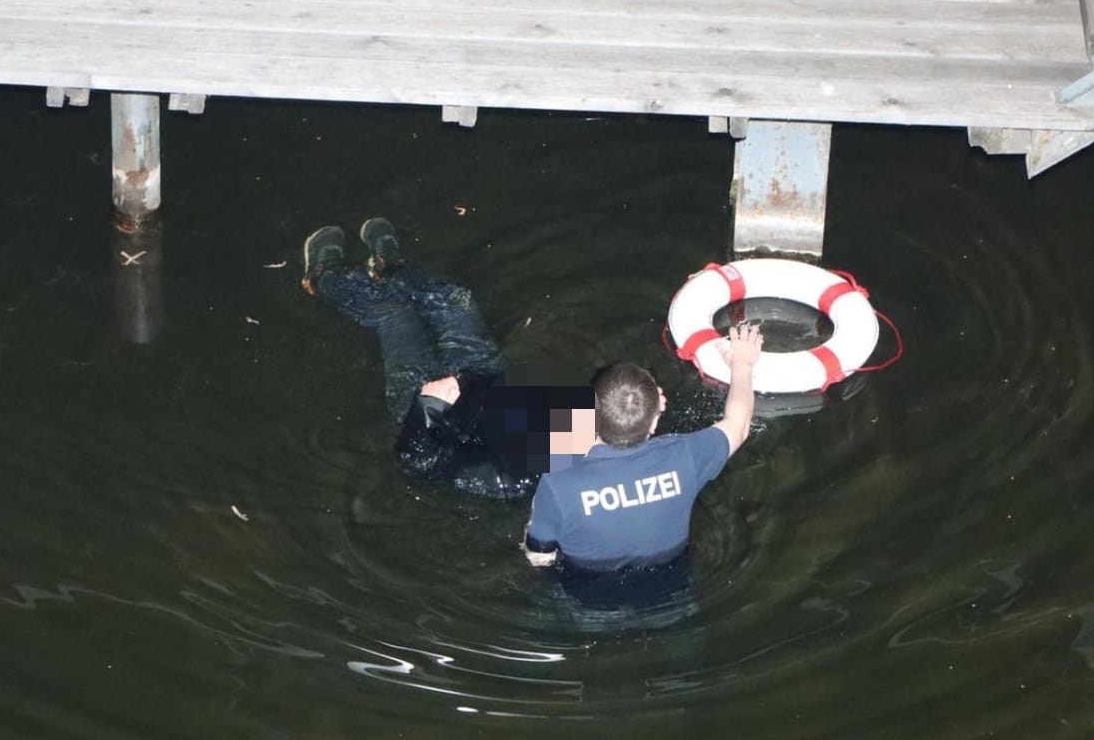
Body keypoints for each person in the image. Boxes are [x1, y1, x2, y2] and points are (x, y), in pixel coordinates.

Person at [302, 219, 595, 499]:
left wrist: (427, 405)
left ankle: (323, 277)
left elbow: (417, 463)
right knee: (455, 297)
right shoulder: (598, 427)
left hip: (433, 413)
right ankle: (390, 269)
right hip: (484, 377)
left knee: (396, 315)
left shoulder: (508, 479)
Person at [522, 324, 764, 573]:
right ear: (656, 420)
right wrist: (742, 364)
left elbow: (539, 554)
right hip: (674, 591)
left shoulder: (558, 481)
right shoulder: (684, 456)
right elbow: (739, 424)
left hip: (591, 604)